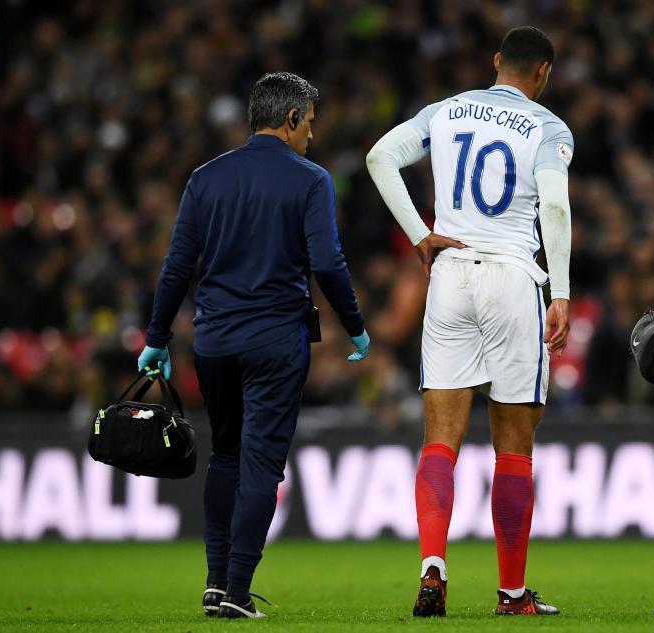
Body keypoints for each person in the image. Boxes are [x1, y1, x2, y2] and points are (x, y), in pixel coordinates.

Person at [137, 72, 370, 619]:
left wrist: (156, 337)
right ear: (290, 119)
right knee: (262, 461)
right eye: (309, 123)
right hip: (275, 339)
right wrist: (355, 326)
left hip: (212, 341)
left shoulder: (205, 178)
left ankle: (216, 582)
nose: (312, 134)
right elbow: (328, 263)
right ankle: (237, 591)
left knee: (225, 455)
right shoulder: (310, 180)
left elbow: (177, 267)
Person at [366, 26, 572, 617]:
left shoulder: (445, 111)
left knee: (440, 441)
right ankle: (511, 594)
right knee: (513, 448)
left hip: (450, 273)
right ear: (543, 73)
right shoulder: (548, 127)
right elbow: (554, 207)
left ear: (497, 62)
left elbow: (380, 157)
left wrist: (419, 236)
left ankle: (433, 565)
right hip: (512, 276)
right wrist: (561, 291)